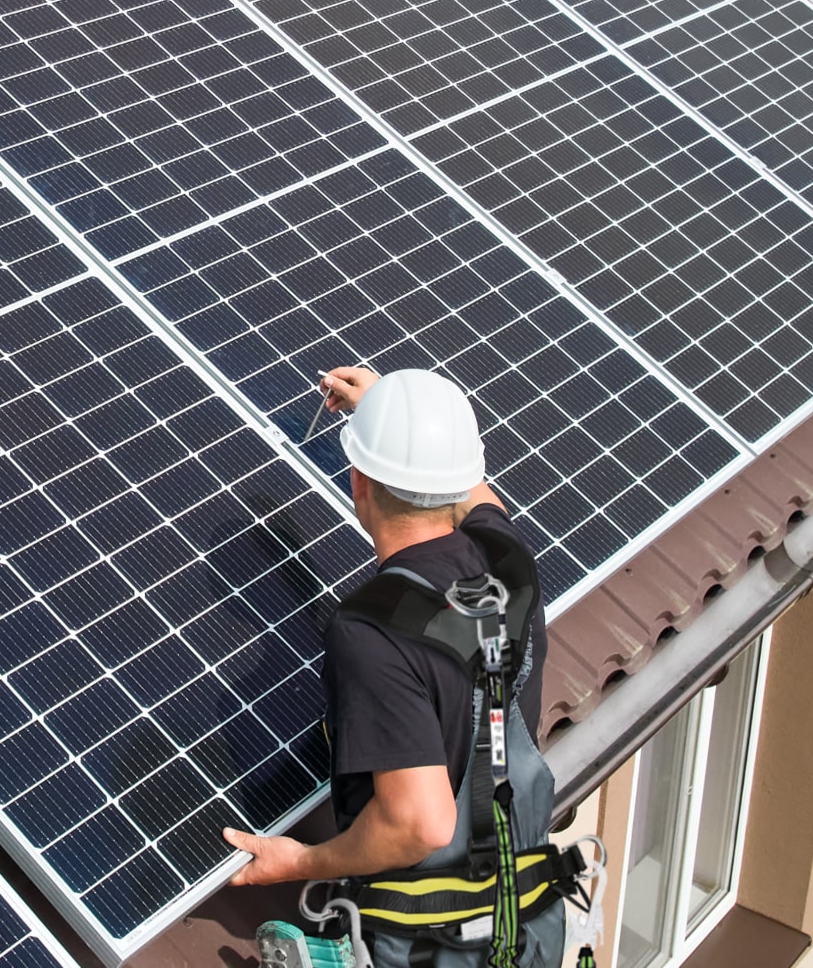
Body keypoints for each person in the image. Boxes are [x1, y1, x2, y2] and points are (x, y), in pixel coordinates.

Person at [225, 366, 566, 968]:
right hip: (528, 925)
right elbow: (478, 497)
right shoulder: (509, 561)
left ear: (358, 482)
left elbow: (421, 825)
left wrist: (300, 861)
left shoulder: (371, 631)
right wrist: (402, 417)